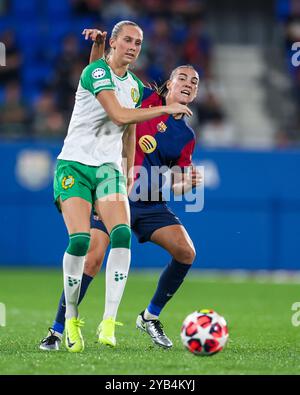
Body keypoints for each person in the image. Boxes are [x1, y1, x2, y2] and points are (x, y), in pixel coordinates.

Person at [46, 21, 192, 354]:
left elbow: (128, 134)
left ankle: (114, 321)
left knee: (146, 242)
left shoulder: (143, 96)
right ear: (114, 42)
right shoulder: (113, 80)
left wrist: (128, 171)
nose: (133, 46)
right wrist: (166, 107)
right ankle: (64, 323)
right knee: (86, 248)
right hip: (77, 166)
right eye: (126, 40)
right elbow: (118, 114)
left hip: (126, 184)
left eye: (138, 42)